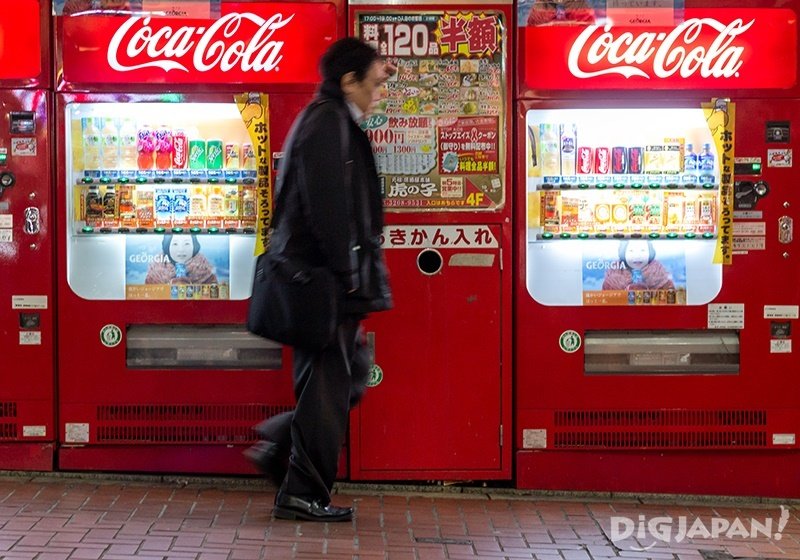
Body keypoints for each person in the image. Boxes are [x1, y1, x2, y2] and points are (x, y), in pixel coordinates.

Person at [244, 38, 394, 523]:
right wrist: (349, 276)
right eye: (373, 82)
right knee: (329, 388)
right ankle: (301, 491)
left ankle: (280, 446)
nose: (378, 92)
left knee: (347, 376)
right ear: (348, 81)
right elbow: (329, 208)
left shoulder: (330, 119)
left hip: (326, 281)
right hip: (326, 283)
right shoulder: (327, 122)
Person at [602, 239, 675, 291]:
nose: (637, 255)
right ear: (623, 253)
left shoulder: (663, 280)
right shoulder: (611, 283)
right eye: (631, 251)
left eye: (642, 250)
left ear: (650, 252)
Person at [145, 233, 218, 285]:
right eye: (175, 244)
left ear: (194, 246)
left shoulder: (206, 272)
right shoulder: (155, 274)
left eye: (187, 244)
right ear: (167, 246)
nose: (181, 249)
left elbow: (214, 299)